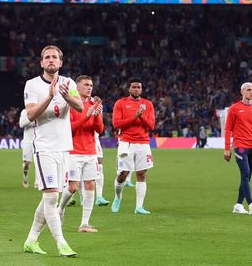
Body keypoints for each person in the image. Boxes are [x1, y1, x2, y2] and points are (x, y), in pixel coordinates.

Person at [22, 45, 82, 258]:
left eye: (54, 57)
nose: (51, 60)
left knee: (50, 197)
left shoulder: (69, 83)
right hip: (44, 148)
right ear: (41, 63)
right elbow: (30, 115)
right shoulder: (32, 85)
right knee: (51, 197)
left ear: (60, 62)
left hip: (64, 148)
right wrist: (48, 97)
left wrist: (65, 96)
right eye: (47, 57)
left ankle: (30, 240)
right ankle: (61, 243)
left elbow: (80, 107)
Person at [59, 75, 104, 233]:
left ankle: (84, 223)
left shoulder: (94, 104)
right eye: (86, 85)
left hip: (90, 151)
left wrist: (97, 114)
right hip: (74, 152)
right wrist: (87, 116)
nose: (89, 87)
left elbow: (99, 129)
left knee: (91, 185)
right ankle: (60, 209)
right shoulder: (71, 105)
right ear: (77, 88)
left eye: (91, 85)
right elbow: (69, 128)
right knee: (73, 187)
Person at [111, 78, 155, 215]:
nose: (136, 89)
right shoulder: (121, 103)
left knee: (141, 173)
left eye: (139, 87)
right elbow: (116, 124)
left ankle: (139, 207)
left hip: (143, 143)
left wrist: (141, 117)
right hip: (126, 142)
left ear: (141, 89)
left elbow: (151, 126)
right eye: (134, 87)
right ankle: (118, 196)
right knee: (123, 174)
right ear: (129, 89)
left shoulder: (148, 104)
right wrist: (135, 117)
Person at [224, 82, 252, 215]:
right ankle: (251, 205)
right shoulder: (234, 109)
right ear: (242, 92)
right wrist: (227, 148)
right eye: (248, 90)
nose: (251, 92)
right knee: (246, 173)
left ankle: (238, 205)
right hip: (240, 147)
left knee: (246, 177)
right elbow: (228, 129)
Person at [19, 109, 34, 188]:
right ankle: (25, 177)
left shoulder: (42, 109)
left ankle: (38, 182)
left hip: (39, 141)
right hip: (28, 141)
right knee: (26, 164)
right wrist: (31, 119)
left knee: (40, 162)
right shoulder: (25, 111)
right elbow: (21, 124)